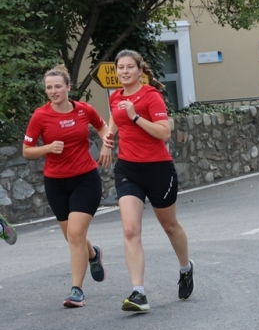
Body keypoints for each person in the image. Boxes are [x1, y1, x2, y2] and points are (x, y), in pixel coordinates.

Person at [101, 50, 193, 313]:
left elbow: (164, 133)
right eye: (121, 67)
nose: (125, 71)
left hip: (158, 170)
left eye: (130, 67)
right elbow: (114, 119)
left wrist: (135, 116)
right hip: (128, 169)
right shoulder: (116, 97)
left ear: (140, 71)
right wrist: (108, 141)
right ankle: (138, 293)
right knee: (130, 230)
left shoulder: (151, 96)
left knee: (170, 226)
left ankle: (185, 268)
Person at [22, 65, 110, 307]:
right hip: (56, 182)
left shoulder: (84, 110)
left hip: (85, 179)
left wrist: (106, 144)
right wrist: (47, 148)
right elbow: (27, 151)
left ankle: (76, 290)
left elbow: (103, 127)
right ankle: (93, 253)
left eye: (57, 86)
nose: (53, 91)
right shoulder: (40, 116)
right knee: (72, 237)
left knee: (75, 234)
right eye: (49, 87)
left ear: (68, 87)